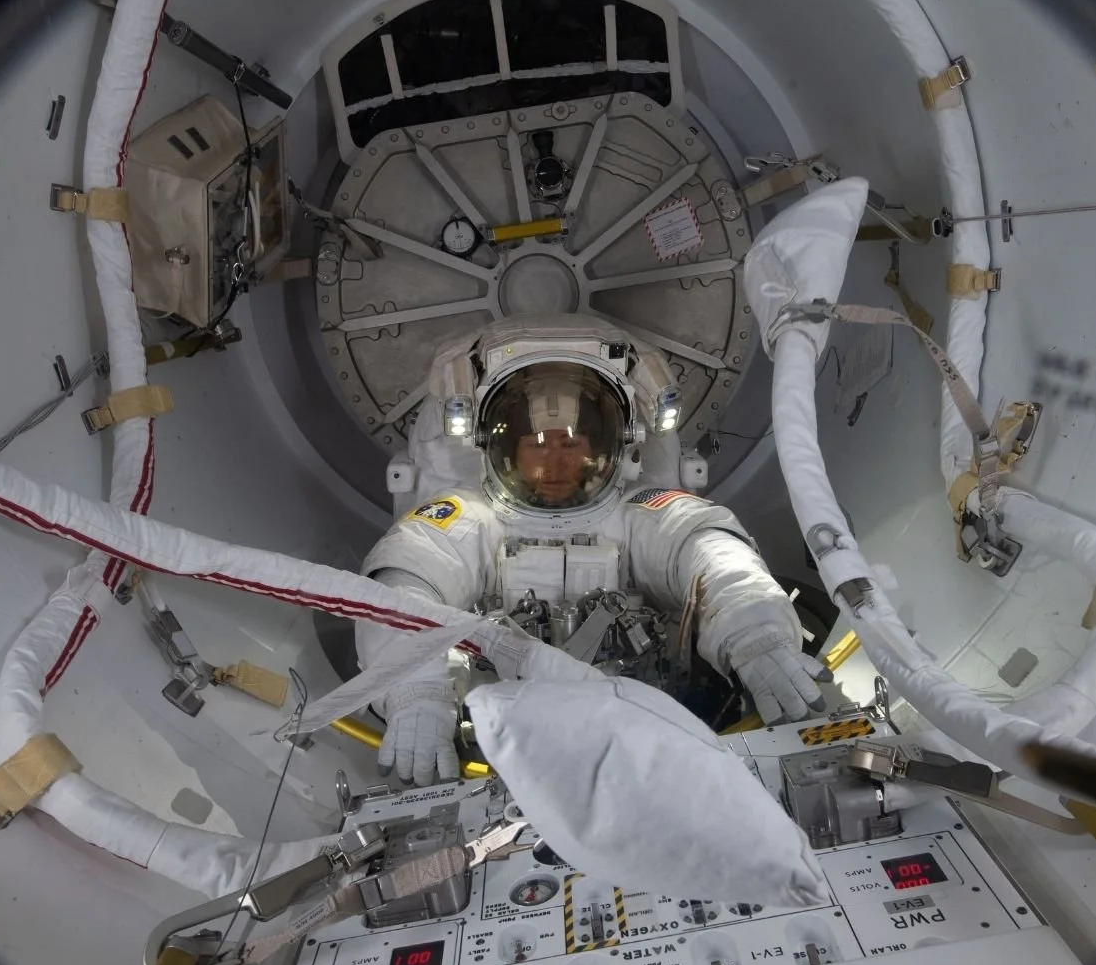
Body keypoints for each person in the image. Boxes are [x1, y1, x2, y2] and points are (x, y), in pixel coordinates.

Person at [353, 323, 832, 785]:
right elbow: (403, 586)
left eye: (571, 442)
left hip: (654, 740)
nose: (555, 460)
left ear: (607, 445)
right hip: (502, 759)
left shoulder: (639, 511)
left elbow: (714, 556)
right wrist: (416, 691)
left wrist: (754, 634)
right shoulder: (469, 516)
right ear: (503, 449)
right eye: (537, 443)